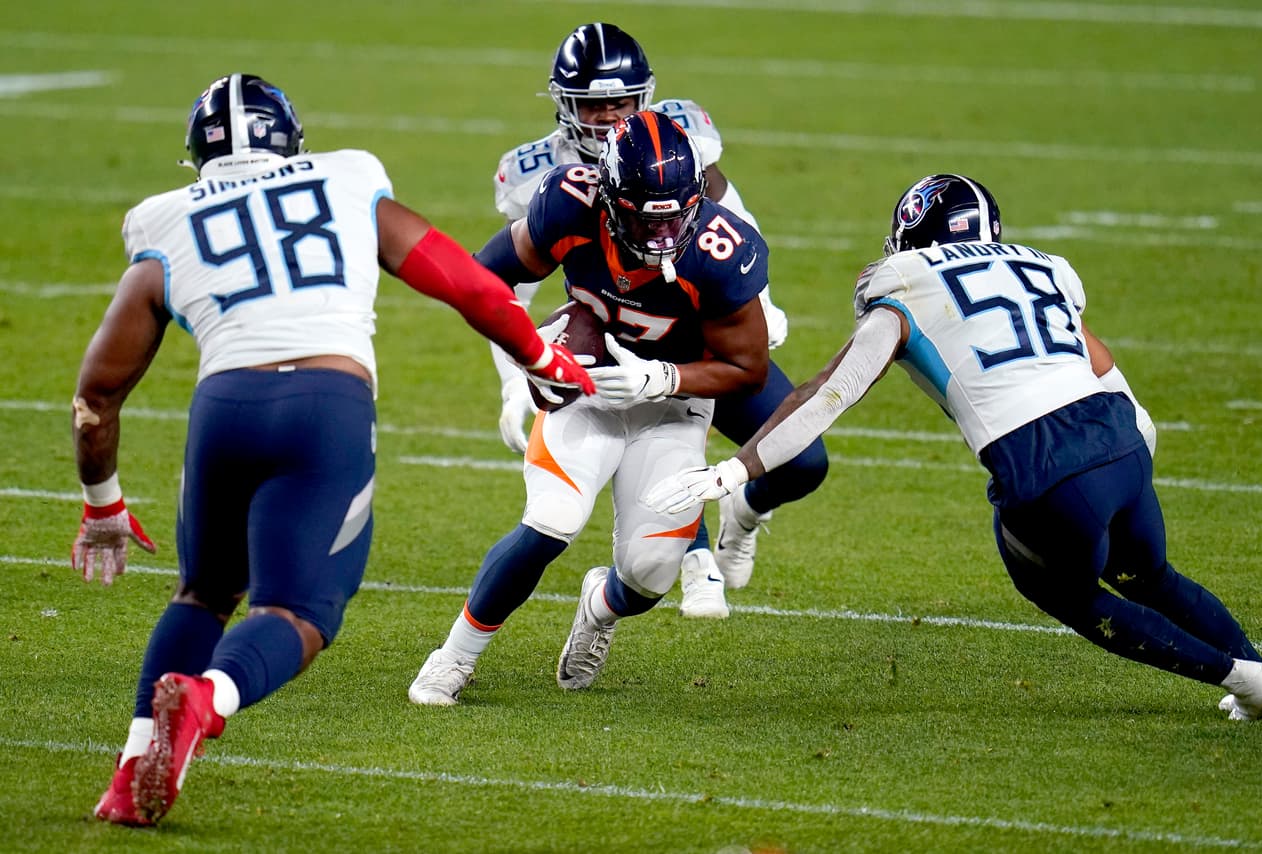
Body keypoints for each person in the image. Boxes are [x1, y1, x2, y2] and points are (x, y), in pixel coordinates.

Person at [71, 72, 594, 827]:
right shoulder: (347, 178)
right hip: (325, 405)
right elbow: (470, 285)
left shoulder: (162, 220)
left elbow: (97, 392)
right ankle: (209, 697)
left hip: (225, 409)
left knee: (203, 593)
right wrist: (541, 360)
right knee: (304, 609)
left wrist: (103, 504)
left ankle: (129, 774)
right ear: (295, 141)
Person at [646, 173, 1262, 720]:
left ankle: (1246, 679)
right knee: (1152, 575)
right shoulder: (1044, 264)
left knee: (1068, 595)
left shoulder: (903, 286)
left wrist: (735, 469)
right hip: (1116, 432)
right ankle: (1259, 679)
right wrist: (1138, 439)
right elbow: (1100, 363)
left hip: (1042, 464)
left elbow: (828, 393)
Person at [407, 110, 770, 705]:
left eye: (675, 215)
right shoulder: (569, 206)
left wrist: (663, 377)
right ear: (608, 196)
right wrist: (532, 356)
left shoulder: (718, 250)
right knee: (552, 521)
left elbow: (749, 368)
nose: (661, 236)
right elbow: (480, 282)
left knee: (650, 575)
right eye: (642, 218)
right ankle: (453, 658)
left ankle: (598, 610)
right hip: (586, 386)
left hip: (673, 407)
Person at [485, 22, 828, 618]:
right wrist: (519, 377)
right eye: (593, 104)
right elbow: (500, 284)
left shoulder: (677, 140)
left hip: (693, 332)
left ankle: (742, 511)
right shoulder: (537, 174)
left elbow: (728, 219)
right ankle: (690, 561)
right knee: (657, 446)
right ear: (565, 103)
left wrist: (760, 302)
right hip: (610, 333)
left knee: (802, 461)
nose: (609, 115)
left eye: (620, 100)